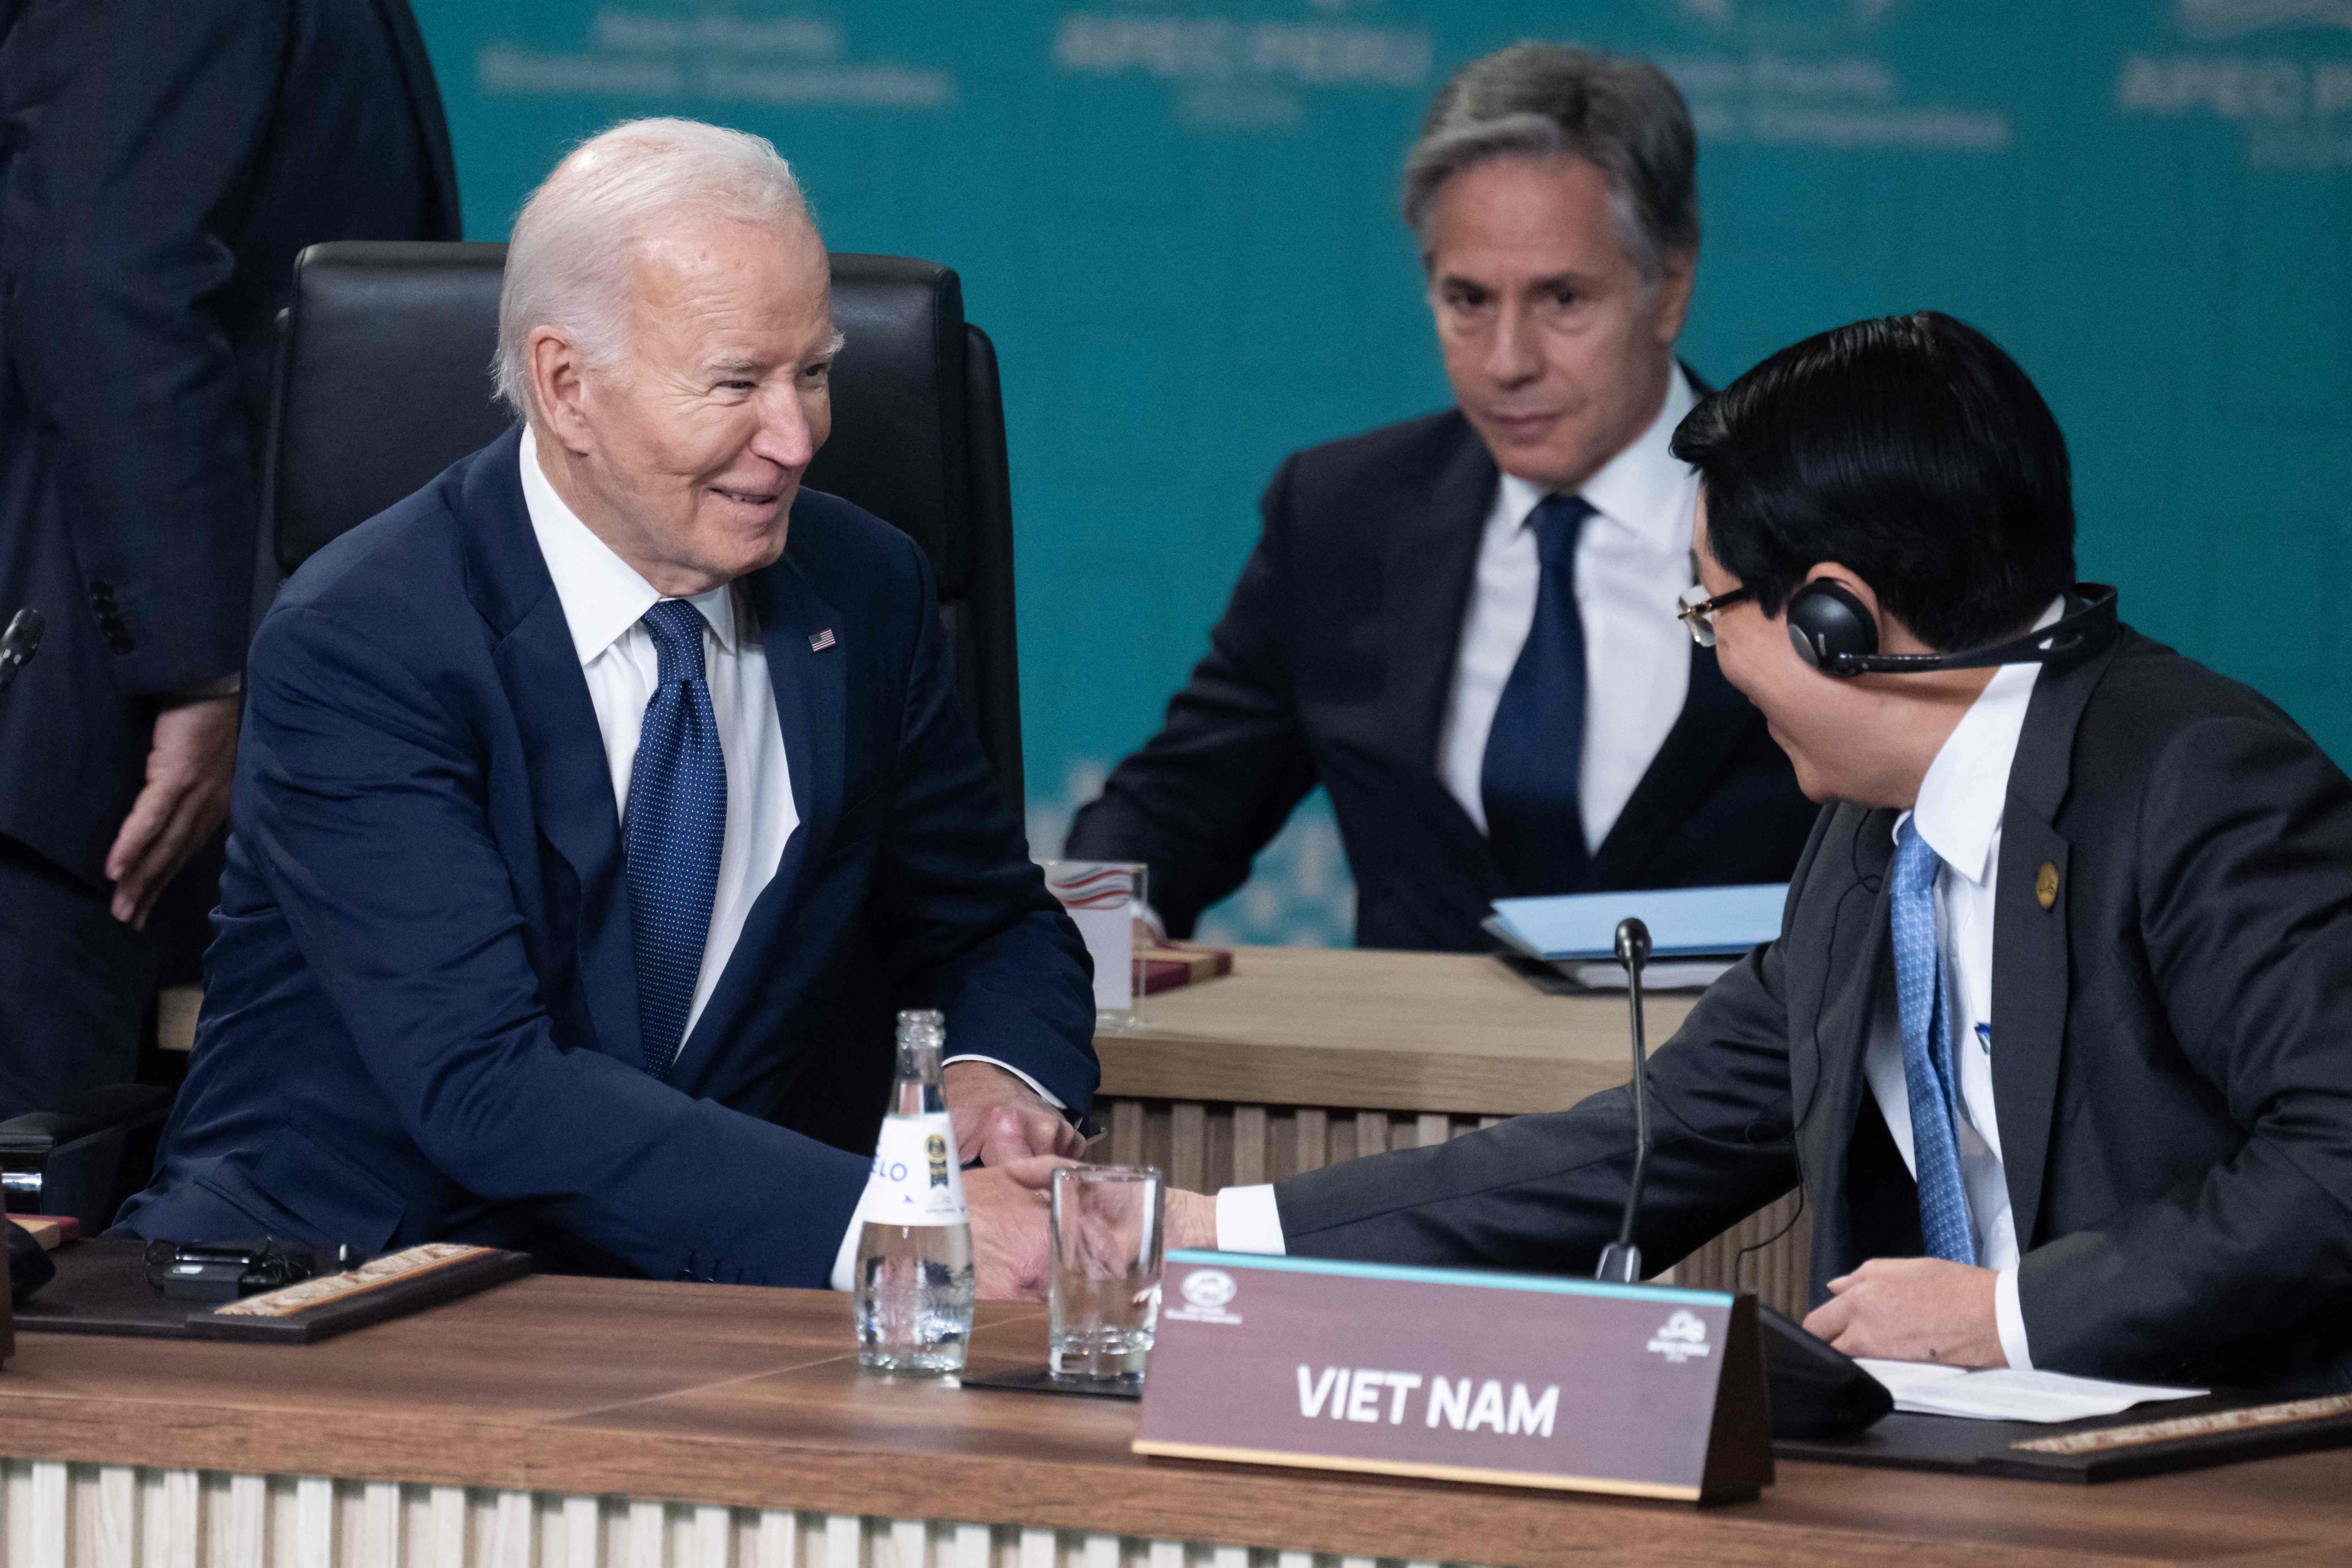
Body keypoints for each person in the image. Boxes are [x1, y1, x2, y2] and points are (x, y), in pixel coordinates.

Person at [1168, 312, 2352, 1392]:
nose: (1710, 657)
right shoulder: (1869, 828)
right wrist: (1208, 1236)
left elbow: (2337, 1153)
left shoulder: (2198, 785)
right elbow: (1649, 1145)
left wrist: (2011, 1316)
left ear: (1833, 621)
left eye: (1708, 611)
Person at [116, 121, 1096, 1296]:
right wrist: (898, 1221)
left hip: (698, 1296)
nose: (793, 439)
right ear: (566, 386)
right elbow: (485, 1084)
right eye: (735, 384)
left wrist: (1000, 1077)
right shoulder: (364, 639)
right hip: (357, 1285)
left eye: (815, 371)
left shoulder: (865, 588)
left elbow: (988, 922)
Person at [1065, 44, 1814, 951]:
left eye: (1563, 299)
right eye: (1467, 300)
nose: (1508, 361)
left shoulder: (1825, 518)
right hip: (1415, 1085)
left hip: (1741, 1089)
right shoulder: (1344, 515)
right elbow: (1171, 806)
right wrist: (1094, 938)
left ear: (1669, 287)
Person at [0, 0, 462, 1118]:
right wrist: (195, 668)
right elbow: (105, 276)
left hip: (137, 714)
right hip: (87, 731)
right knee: (42, 1237)